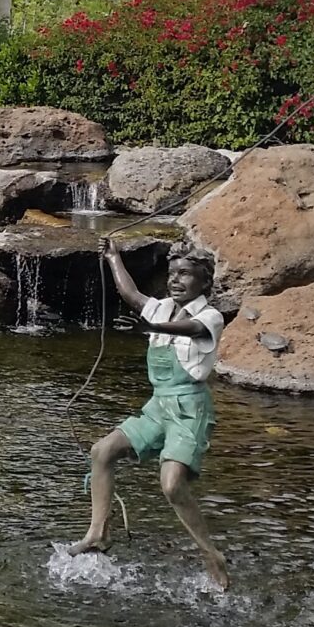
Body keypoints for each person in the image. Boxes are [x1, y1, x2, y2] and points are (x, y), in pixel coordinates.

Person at [68, 240, 231, 590]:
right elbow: (131, 295)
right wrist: (114, 257)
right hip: (158, 406)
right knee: (102, 451)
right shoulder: (160, 309)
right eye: (172, 273)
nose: (176, 280)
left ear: (204, 282)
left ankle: (210, 553)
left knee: (172, 485)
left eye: (185, 274)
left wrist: (151, 329)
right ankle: (98, 532)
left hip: (189, 410)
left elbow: (191, 330)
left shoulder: (210, 317)